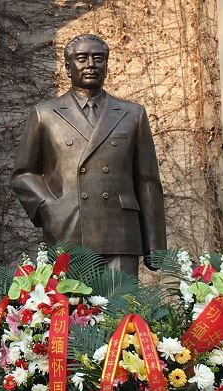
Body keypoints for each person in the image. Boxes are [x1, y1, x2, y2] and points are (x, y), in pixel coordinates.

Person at [11, 33, 166, 276]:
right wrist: (50, 207)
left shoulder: (133, 114)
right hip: (69, 229)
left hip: (119, 232)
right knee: (72, 301)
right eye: (82, 58)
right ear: (68, 67)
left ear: (106, 65)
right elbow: (23, 174)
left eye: (98, 58)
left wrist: (155, 245)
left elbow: (147, 180)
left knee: (122, 300)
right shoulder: (45, 114)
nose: (91, 65)